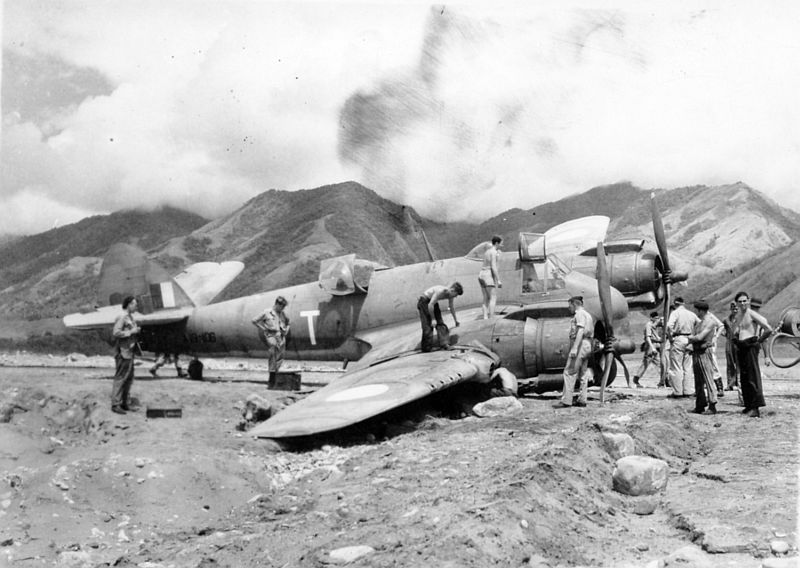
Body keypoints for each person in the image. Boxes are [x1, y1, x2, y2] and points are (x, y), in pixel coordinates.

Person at [733, 292, 775, 417]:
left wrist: (758, 341)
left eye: (744, 301)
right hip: (742, 346)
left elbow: (768, 329)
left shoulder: (752, 314)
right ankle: (748, 405)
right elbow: (736, 330)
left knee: (752, 377)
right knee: (744, 378)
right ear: (737, 303)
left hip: (751, 345)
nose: (742, 303)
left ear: (748, 301)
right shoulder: (739, 315)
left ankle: (755, 407)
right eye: (740, 301)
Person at [554, 296, 594, 408]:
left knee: (569, 371)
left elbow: (580, 330)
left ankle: (566, 401)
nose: (569, 308)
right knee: (583, 373)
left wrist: (575, 347)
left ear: (574, 304)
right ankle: (582, 399)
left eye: (570, 305)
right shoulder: (588, 315)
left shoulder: (579, 314)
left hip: (581, 344)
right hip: (587, 345)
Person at [252, 296, 290, 388]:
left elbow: (288, 322)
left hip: (280, 335)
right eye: (282, 306)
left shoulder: (282, 313)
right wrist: (264, 328)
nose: (283, 308)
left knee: (280, 356)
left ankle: (276, 376)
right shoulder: (267, 312)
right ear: (277, 304)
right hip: (271, 335)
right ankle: (271, 380)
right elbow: (254, 320)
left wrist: (286, 330)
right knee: (273, 354)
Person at [111, 295, 141, 415]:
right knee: (121, 377)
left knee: (128, 378)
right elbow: (116, 332)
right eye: (135, 304)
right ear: (129, 304)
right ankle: (116, 404)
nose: (136, 306)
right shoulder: (122, 317)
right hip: (123, 352)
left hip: (129, 352)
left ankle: (125, 403)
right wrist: (131, 332)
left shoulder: (130, 317)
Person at [687, 301, 719, 414]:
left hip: (705, 352)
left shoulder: (710, 322)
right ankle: (700, 404)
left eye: (696, 310)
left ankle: (712, 404)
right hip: (697, 352)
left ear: (701, 310)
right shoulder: (699, 324)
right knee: (698, 381)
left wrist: (692, 338)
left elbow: (700, 337)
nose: (695, 312)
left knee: (708, 378)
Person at [666, 297, 699, 398]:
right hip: (689, 339)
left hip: (678, 338)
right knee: (688, 367)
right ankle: (688, 390)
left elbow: (669, 326)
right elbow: (700, 324)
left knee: (676, 366)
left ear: (675, 304)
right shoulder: (692, 314)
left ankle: (678, 391)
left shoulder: (675, 313)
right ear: (683, 304)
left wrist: (670, 337)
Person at [417, 282, 463, 352]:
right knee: (428, 326)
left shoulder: (451, 295)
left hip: (433, 303)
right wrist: (433, 319)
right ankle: (427, 348)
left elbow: (451, 307)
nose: (455, 297)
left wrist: (455, 320)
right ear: (452, 290)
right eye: (456, 295)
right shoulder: (441, 291)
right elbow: (430, 305)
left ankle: (445, 344)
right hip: (424, 301)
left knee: (440, 323)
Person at [632, 312, 662, 388]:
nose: (657, 320)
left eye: (657, 318)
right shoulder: (649, 325)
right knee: (646, 362)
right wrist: (652, 348)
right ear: (651, 318)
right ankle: (636, 379)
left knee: (660, 363)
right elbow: (648, 338)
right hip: (651, 345)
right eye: (655, 318)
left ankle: (665, 380)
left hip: (656, 345)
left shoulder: (655, 325)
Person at [478, 235, 503, 319]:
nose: (501, 246)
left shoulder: (487, 252)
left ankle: (485, 318)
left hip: (481, 275)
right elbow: (493, 266)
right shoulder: (494, 252)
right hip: (488, 275)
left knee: (485, 298)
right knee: (493, 297)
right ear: (496, 243)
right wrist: (498, 280)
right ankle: (491, 318)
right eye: (500, 244)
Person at [721, 302, 739, 391]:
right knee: (730, 364)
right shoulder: (726, 320)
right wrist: (724, 333)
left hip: (739, 343)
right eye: (733, 308)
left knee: (739, 363)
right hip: (729, 343)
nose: (735, 310)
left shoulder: (741, 319)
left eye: (736, 308)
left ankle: (738, 382)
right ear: (731, 309)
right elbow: (721, 328)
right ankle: (730, 384)